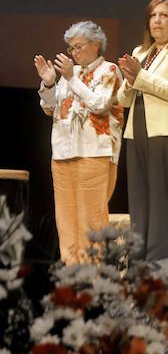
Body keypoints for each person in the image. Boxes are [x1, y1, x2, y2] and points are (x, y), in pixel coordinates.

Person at [117, 0, 168, 261]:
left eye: (164, 15)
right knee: (139, 206)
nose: (157, 21)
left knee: (163, 209)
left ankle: (159, 275)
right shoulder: (140, 52)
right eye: (153, 15)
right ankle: (138, 269)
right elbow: (123, 99)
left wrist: (139, 76)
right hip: (138, 132)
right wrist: (130, 82)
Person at [35, 21, 124, 264]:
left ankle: (94, 282)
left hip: (94, 152)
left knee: (91, 220)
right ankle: (72, 279)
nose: (73, 53)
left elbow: (99, 104)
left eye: (78, 47)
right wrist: (50, 82)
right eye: (71, 48)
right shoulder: (69, 74)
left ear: (96, 45)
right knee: (66, 221)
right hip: (63, 153)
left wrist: (70, 79)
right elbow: (51, 108)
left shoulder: (109, 70)